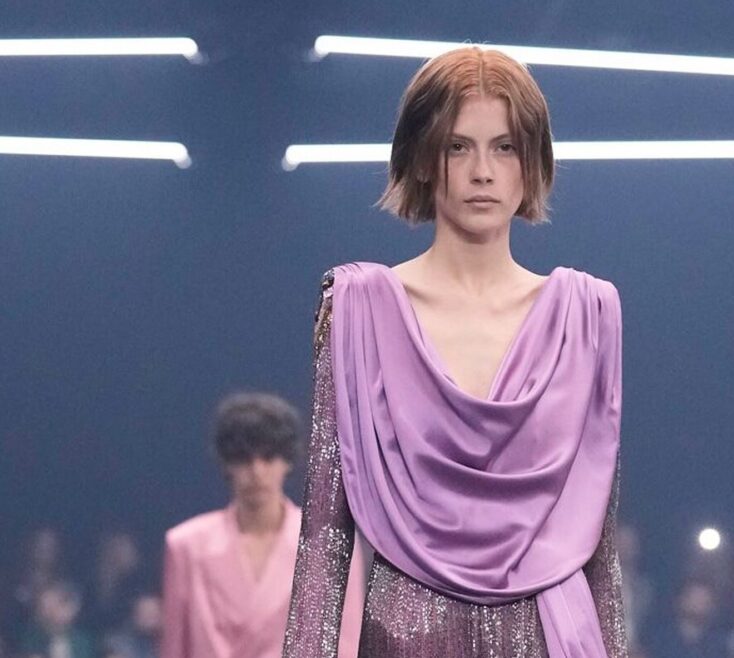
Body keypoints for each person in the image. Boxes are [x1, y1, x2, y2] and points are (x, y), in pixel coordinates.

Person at [282, 45, 627, 657]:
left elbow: (596, 543)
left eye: (506, 147)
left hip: (551, 636)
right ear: (421, 157)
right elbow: (325, 537)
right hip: (408, 638)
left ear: (533, 162)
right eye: (457, 147)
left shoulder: (587, 315)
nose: (483, 172)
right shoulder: (359, 312)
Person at [160, 392, 304, 658]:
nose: (257, 472)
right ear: (227, 464)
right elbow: (174, 649)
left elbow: (346, 645)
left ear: (287, 461)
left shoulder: (326, 547)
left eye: (268, 457)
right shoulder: (186, 547)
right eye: (244, 459)